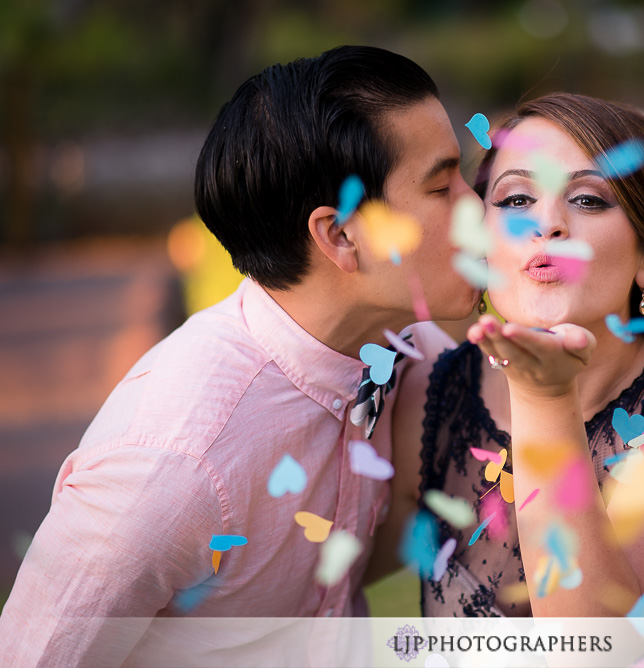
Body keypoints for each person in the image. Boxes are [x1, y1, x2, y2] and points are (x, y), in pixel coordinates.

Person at [0, 45, 478, 665]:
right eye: (443, 186)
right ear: (340, 236)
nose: (478, 206)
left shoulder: (400, 342)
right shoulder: (176, 463)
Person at [384, 93, 644, 661]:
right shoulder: (429, 395)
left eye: (587, 199)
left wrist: (543, 394)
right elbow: (305, 579)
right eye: (518, 197)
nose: (547, 223)